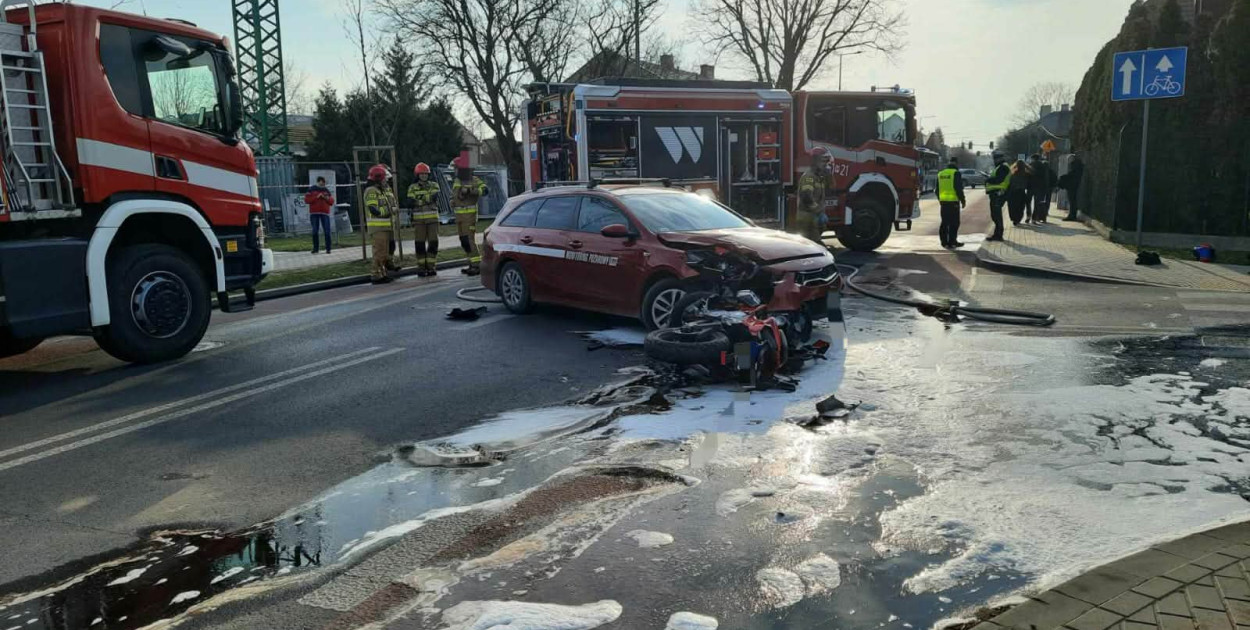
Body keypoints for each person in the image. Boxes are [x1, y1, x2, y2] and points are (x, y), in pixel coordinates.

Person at [451, 157, 487, 276]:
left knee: (469, 240)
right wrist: (452, 200)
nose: (455, 171)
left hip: (469, 216)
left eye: (456, 168)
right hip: (459, 217)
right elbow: (455, 195)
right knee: (464, 241)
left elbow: (485, 190)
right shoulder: (457, 181)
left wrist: (471, 190)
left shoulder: (474, 179)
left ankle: (477, 265)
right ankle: (471, 263)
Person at [363, 164, 397, 284]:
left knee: (384, 252)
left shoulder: (380, 190)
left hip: (385, 226)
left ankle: (382, 273)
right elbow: (374, 210)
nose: (386, 181)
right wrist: (389, 211)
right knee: (379, 252)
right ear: (378, 179)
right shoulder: (372, 191)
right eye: (384, 179)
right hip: (378, 227)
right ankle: (376, 275)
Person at [407, 162, 441, 277]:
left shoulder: (434, 185)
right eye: (421, 174)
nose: (424, 176)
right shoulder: (412, 187)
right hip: (419, 221)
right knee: (419, 244)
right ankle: (421, 267)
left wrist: (419, 200)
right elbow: (410, 202)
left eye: (425, 174)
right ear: (417, 175)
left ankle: (431, 267)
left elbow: (434, 197)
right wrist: (426, 199)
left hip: (432, 220)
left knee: (433, 243)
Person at [796, 147, 832, 245]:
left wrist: (829, 175)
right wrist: (818, 212)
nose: (826, 164)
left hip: (813, 220)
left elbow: (832, 188)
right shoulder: (809, 177)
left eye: (827, 161)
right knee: (814, 247)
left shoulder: (818, 177)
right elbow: (806, 197)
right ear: (815, 161)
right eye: (824, 161)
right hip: (808, 220)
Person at [936, 157, 966, 249]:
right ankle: (952, 242)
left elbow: (936, 190)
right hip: (953, 202)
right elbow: (958, 189)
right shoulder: (956, 173)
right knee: (954, 223)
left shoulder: (941, 174)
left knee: (944, 222)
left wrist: (940, 199)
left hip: (944, 203)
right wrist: (963, 200)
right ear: (956, 163)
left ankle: (944, 242)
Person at [984, 150, 1011, 241]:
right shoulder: (1000, 167)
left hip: (998, 193)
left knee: (996, 215)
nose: (994, 161)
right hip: (996, 193)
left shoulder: (1003, 167)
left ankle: (998, 235)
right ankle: (997, 234)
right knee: (995, 214)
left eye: (995, 159)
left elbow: (998, 179)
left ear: (999, 159)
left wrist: (988, 179)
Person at [304, 176, 334, 254]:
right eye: (323, 182)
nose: (324, 184)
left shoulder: (326, 190)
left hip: (325, 213)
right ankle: (316, 248)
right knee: (315, 231)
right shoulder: (311, 189)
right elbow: (307, 200)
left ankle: (328, 248)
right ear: (319, 181)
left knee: (327, 231)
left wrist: (325, 197)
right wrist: (316, 197)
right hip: (314, 213)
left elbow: (331, 201)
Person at [1027, 154, 1055, 224]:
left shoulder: (1029, 165)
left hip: (1030, 187)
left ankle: (1028, 215)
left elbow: (1026, 176)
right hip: (1039, 188)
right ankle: (1034, 219)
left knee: (1028, 202)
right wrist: (1045, 188)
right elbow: (1046, 178)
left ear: (1033, 159)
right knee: (1037, 203)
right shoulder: (1043, 166)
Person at [1007, 159, 1031, 226]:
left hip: (1013, 192)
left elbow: (1009, 183)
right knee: (1020, 207)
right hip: (1021, 192)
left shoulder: (1013, 173)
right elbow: (1029, 183)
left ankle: (1014, 219)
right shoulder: (1027, 174)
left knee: (1012, 206)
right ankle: (1018, 219)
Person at [1063, 153, 1085, 222]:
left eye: (1069, 159)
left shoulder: (1075, 165)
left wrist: (1067, 177)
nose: (1068, 161)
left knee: (1072, 201)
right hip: (1074, 185)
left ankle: (1072, 216)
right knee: (1072, 201)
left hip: (1072, 185)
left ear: (1072, 159)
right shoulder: (1077, 165)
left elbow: (1073, 175)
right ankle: (1072, 215)